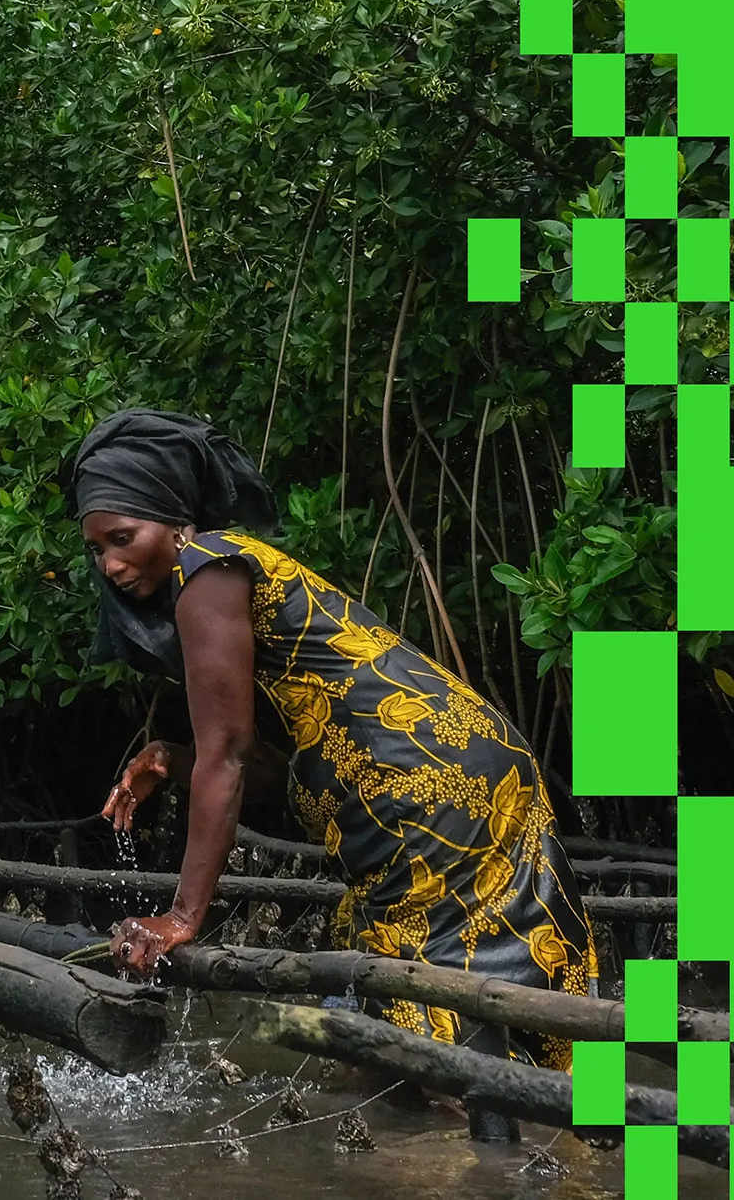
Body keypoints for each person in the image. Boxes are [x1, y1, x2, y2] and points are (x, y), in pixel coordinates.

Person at [68, 407, 598, 1075]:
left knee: (421, 995)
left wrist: (179, 916)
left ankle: (477, 1147)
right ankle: (566, 1139)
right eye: (98, 549)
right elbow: (275, 764)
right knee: (483, 966)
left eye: (123, 536)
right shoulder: (231, 563)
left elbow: (226, 756)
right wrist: (172, 758)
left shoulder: (204, 571)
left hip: (420, 781)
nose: (111, 564)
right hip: (476, 756)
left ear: (174, 522)